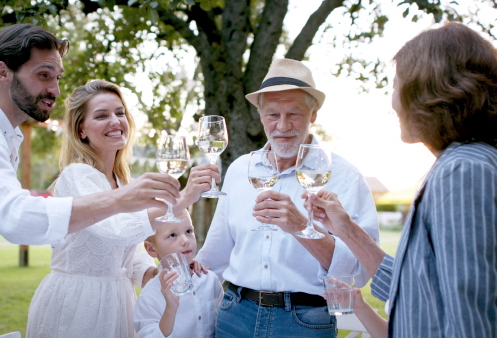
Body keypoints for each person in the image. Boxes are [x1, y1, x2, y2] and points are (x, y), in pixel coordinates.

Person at [0, 24, 183, 337]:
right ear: (4, 71)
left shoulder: (3, 136)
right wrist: (121, 201)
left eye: (57, 78)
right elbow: (16, 217)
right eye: (43, 75)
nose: (56, 91)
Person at [307, 22, 497, 337]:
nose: (392, 102)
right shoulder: (461, 163)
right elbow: (417, 288)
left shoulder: (462, 171)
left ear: (428, 88)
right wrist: (347, 230)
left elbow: (470, 321)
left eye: (395, 85)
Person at [196, 58, 380, 337]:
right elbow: (215, 256)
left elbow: (360, 271)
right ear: (260, 115)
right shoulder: (238, 170)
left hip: (305, 322)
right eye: (272, 114)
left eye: (294, 113)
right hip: (235, 316)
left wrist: (301, 229)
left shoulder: (345, 176)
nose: (282, 125)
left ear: (313, 114)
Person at [26, 79, 219, 338]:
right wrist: (184, 198)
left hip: (117, 301)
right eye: (102, 115)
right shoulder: (76, 176)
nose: (115, 121)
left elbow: (127, 250)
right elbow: (114, 229)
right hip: (79, 302)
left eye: (120, 113)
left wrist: (162, 270)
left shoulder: (122, 182)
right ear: (81, 130)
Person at [134, 209, 223, 338]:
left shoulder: (210, 280)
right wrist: (170, 308)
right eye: (173, 235)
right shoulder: (149, 297)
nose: (185, 240)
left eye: (188, 231)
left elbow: (223, 325)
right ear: (151, 248)